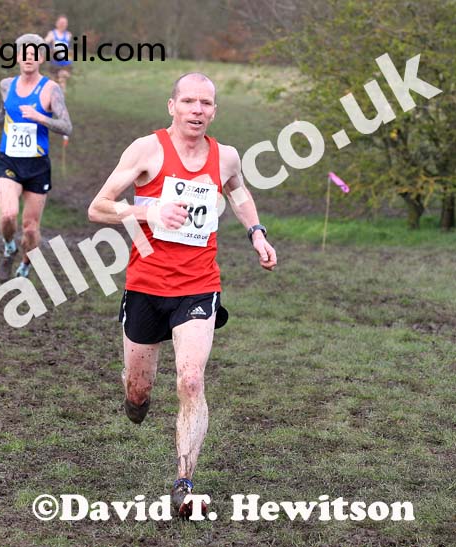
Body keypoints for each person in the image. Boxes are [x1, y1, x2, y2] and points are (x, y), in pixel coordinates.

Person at [87, 73, 277, 519]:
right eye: (188, 101)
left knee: (191, 380)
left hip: (198, 285)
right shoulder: (146, 149)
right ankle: (134, 396)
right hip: (145, 287)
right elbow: (97, 207)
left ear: (214, 111)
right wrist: (147, 210)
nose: (197, 110)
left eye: (205, 103)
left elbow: (238, 191)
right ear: (171, 106)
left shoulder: (225, 156)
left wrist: (256, 232)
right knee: (139, 393)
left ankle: (184, 481)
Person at [0, 34, 72, 279]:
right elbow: (5, 113)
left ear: (41, 59)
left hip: (37, 164)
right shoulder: (6, 85)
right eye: (25, 54)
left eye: (34, 55)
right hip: (9, 159)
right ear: (17, 57)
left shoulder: (50, 89)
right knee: (8, 215)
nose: (29, 59)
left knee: (31, 230)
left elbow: (66, 126)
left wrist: (40, 117)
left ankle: (25, 265)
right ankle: (9, 248)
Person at [44, 15, 73, 93]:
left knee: (62, 78)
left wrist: (70, 58)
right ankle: (52, 100)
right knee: (53, 84)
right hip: (54, 63)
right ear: (57, 23)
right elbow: (44, 43)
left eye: (64, 23)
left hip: (66, 63)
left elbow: (70, 49)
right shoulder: (52, 34)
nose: (62, 25)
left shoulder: (68, 35)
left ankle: (61, 99)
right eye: (61, 22)